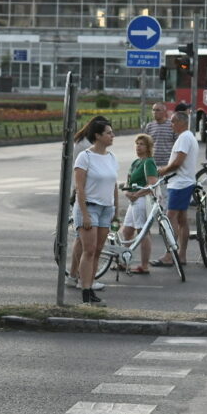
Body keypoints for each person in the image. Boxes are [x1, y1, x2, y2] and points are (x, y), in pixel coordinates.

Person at [72, 118, 120, 304]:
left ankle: (91, 287)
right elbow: (80, 187)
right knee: (89, 250)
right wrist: (84, 214)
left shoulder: (111, 157)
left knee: (98, 250)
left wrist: (116, 210)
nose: (112, 135)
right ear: (98, 136)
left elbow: (113, 185)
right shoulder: (85, 156)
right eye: (108, 133)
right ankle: (84, 291)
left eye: (111, 132)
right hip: (89, 207)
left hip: (106, 209)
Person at [64, 116, 109, 290]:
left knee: (80, 242)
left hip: (82, 194)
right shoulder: (85, 147)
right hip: (86, 197)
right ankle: (84, 281)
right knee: (87, 247)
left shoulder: (82, 141)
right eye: (107, 131)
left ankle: (74, 276)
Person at [155, 111, 197, 267]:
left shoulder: (184, 137)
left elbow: (178, 162)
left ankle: (169, 255)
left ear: (181, 122)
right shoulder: (188, 136)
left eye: (173, 122)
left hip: (180, 183)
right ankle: (181, 255)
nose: (171, 125)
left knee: (170, 217)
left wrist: (163, 170)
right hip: (184, 182)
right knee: (182, 220)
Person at [120, 134, 161, 275]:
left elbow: (152, 184)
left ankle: (144, 265)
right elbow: (127, 183)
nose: (138, 146)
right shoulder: (135, 163)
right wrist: (127, 193)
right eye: (137, 143)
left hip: (142, 200)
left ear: (148, 147)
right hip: (133, 200)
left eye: (142, 144)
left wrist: (136, 194)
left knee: (143, 232)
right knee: (127, 231)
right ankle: (124, 261)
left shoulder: (149, 162)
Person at [143, 102, 175, 168]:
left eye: (157, 110)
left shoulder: (172, 125)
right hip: (152, 163)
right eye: (153, 110)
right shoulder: (149, 126)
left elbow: (177, 143)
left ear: (164, 112)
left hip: (168, 163)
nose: (155, 112)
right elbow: (145, 145)